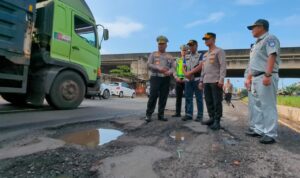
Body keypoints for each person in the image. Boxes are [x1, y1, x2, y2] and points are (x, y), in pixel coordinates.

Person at [244, 19, 281, 144]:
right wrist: (249, 78)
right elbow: (252, 64)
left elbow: (272, 55)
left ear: (261, 27)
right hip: (256, 77)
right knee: (257, 105)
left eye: (253, 28)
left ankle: (270, 133)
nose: (252, 31)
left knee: (268, 105)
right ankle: (259, 129)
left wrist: (267, 74)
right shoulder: (256, 44)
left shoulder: (270, 39)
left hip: (265, 76)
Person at [199, 33, 226, 130]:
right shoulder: (205, 55)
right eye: (204, 39)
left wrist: (221, 79)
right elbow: (203, 69)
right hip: (206, 81)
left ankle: (217, 121)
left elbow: (223, 66)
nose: (205, 41)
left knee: (217, 101)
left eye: (207, 39)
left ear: (214, 39)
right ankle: (211, 118)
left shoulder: (219, 51)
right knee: (208, 101)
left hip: (215, 81)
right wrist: (201, 81)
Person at [145, 35, 174, 122]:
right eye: (159, 44)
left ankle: (161, 115)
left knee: (163, 97)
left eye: (162, 44)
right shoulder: (153, 54)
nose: (160, 45)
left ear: (166, 45)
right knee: (153, 96)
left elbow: (174, 67)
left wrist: (170, 72)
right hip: (155, 77)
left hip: (166, 79)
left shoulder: (170, 56)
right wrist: (159, 68)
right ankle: (148, 114)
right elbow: (148, 64)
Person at [181, 40, 204, 122]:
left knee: (199, 98)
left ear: (196, 45)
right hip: (188, 80)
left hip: (197, 79)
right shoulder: (186, 56)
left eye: (192, 45)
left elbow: (201, 66)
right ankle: (189, 114)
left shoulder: (200, 55)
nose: (191, 47)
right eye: (189, 45)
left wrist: (190, 73)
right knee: (188, 97)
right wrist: (186, 74)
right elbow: (183, 67)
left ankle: (200, 115)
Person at [172, 45, 188, 117]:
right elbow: (174, 70)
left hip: (186, 81)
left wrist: (185, 79)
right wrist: (176, 77)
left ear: (187, 51)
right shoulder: (178, 60)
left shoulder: (189, 59)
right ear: (181, 51)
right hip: (178, 81)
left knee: (188, 98)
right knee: (178, 98)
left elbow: (190, 70)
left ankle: (187, 113)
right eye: (182, 50)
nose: (184, 52)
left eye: (185, 50)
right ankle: (177, 113)